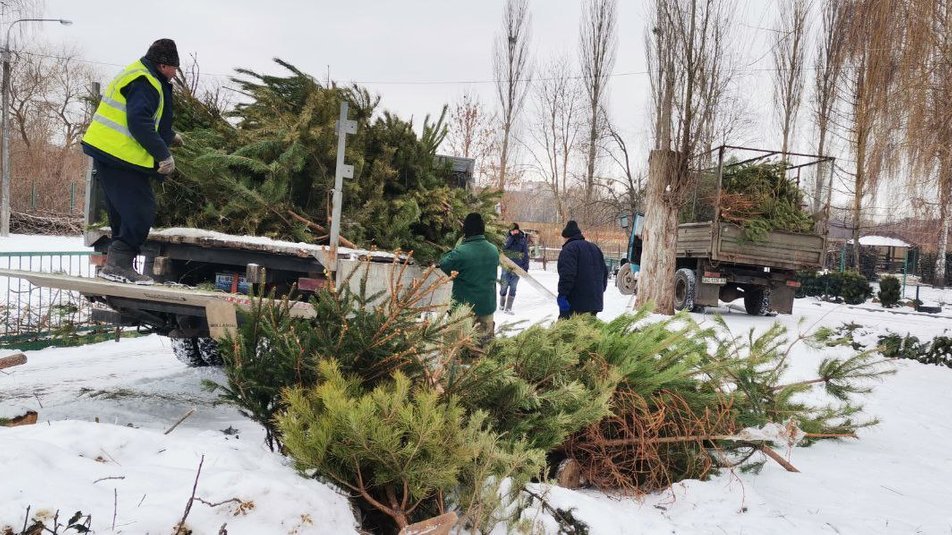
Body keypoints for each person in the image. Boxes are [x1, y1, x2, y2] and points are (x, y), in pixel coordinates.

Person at [82, 39, 182, 285]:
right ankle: (118, 264)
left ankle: (117, 265)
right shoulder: (145, 81)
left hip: (111, 153)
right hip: (119, 155)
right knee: (140, 211)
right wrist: (163, 154)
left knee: (123, 211)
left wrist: (168, 136)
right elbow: (139, 121)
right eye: (174, 68)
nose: (175, 73)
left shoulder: (144, 76)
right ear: (163, 65)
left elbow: (148, 116)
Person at [439, 213, 499, 342]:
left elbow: (444, 263)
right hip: (487, 307)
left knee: (455, 347)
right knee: (483, 345)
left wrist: (456, 247)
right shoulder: (494, 250)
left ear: (465, 230)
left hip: (463, 310)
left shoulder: (461, 252)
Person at [556, 220, 609, 319]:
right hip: (595, 302)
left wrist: (563, 295)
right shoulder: (595, 248)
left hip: (576, 303)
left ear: (566, 237)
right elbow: (604, 273)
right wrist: (599, 291)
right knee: (589, 327)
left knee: (570, 327)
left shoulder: (569, 249)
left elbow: (567, 274)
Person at [499, 222, 530, 314]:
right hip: (506, 266)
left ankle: (508, 308)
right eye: (512, 231)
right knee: (504, 286)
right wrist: (511, 238)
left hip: (517, 268)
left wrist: (525, 267)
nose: (514, 232)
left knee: (513, 287)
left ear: (518, 230)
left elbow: (525, 254)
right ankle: (501, 304)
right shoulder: (506, 238)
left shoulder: (522, 239)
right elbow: (503, 249)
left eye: (516, 230)